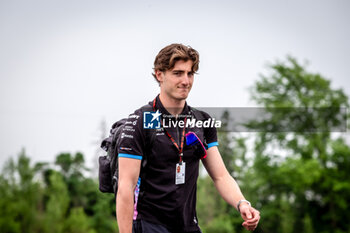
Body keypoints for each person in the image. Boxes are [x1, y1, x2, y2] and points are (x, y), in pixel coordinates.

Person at [116, 43, 260, 233]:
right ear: (159, 74)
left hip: (188, 226)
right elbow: (126, 187)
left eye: (190, 73)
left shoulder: (201, 121)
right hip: (149, 224)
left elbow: (220, 175)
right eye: (178, 73)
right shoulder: (141, 121)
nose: (186, 80)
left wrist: (242, 203)